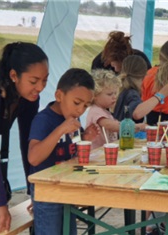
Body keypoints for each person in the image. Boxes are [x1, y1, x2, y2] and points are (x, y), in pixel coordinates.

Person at [0, 42, 49, 234]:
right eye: (34, 81)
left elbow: (28, 144)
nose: (40, 87)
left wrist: (33, 192)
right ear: (14, 76)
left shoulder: (28, 98)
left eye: (45, 80)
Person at [28, 68, 97, 235]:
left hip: (66, 188)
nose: (80, 110)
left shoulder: (72, 118)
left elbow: (72, 151)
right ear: (59, 96)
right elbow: (33, 158)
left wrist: (86, 138)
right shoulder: (43, 119)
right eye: (77, 102)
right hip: (47, 193)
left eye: (86, 106)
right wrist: (59, 130)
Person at [86, 69, 146, 149]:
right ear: (95, 95)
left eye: (115, 93)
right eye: (109, 94)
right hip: (97, 154)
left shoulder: (105, 111)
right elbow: (111, 126)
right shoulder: (96, 111)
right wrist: (138, 127)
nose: (114, 97)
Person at [113, 55, 147, 123]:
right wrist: (159, 96)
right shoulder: (133, 94)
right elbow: (136, 114)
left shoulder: (118, 90)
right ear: (143, 75)